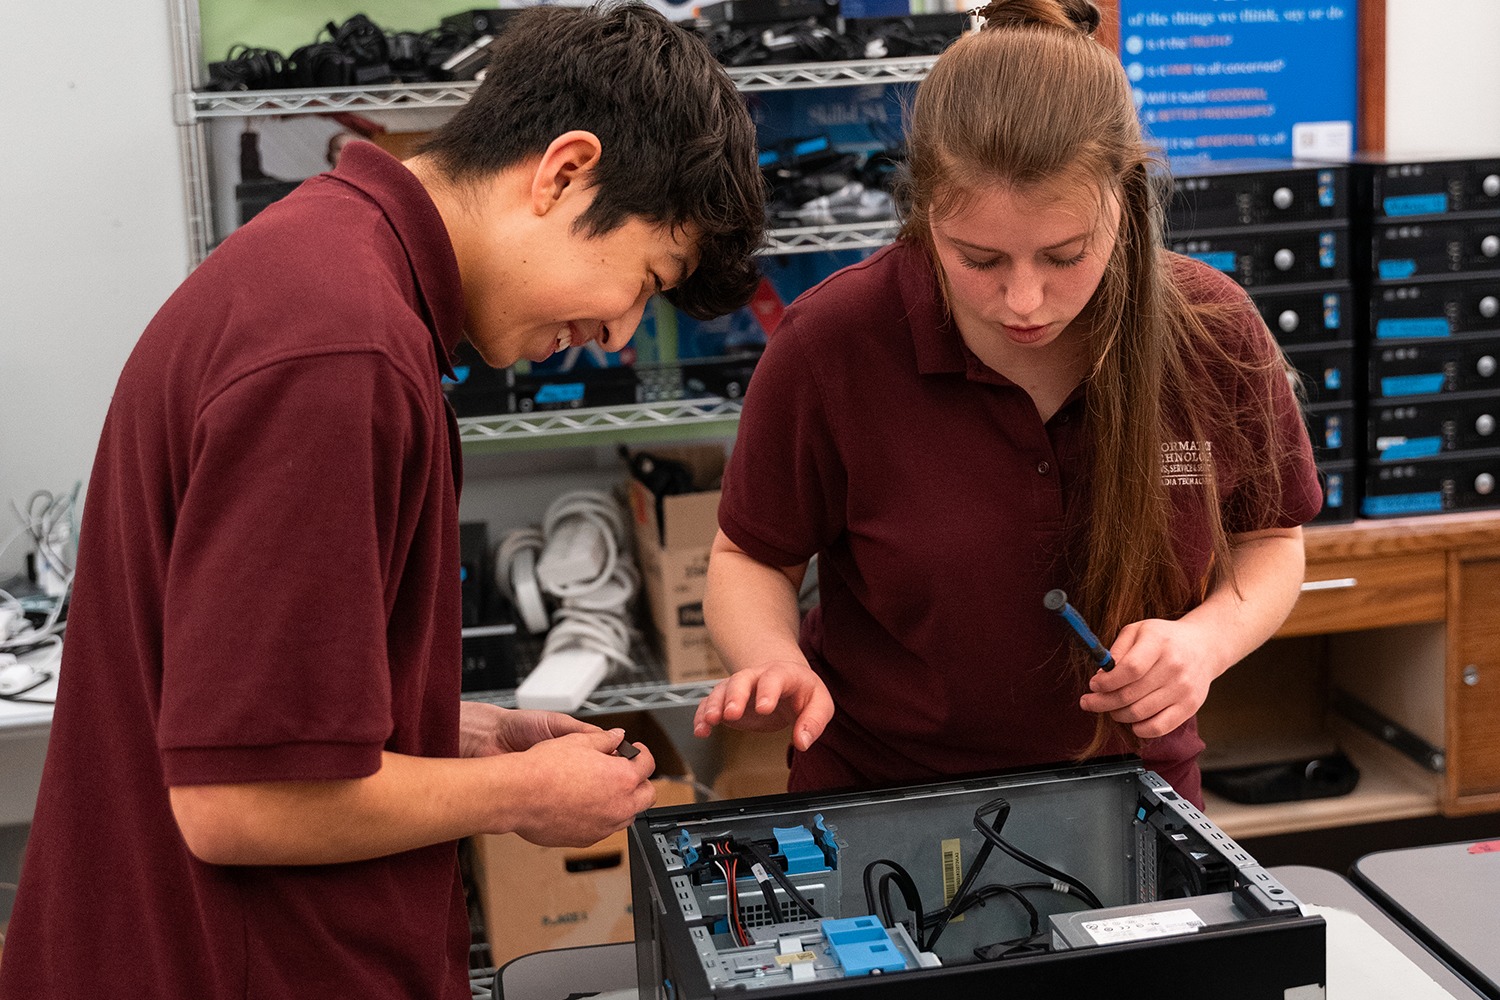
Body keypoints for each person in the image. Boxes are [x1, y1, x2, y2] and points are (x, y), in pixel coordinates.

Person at [0, 5, 763, 998]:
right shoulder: (340, 352)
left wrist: (454, 730)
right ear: (566, 170)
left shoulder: (330, 274)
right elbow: (242, 800)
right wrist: (515, 791)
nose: (618, 334)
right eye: (644, 280)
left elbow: (252, 705)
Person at [691, 0, 1321, 809]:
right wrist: (773, 656)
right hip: (885, 802)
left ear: (1123, 202)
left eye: (1066, 256)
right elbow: (750, 559)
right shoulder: (831, 344)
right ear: (923, 214)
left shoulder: (1211, 330)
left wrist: (1203, 643)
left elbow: (1272, 539)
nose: (1025, 301)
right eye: (977, 258)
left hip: (1133, 796)